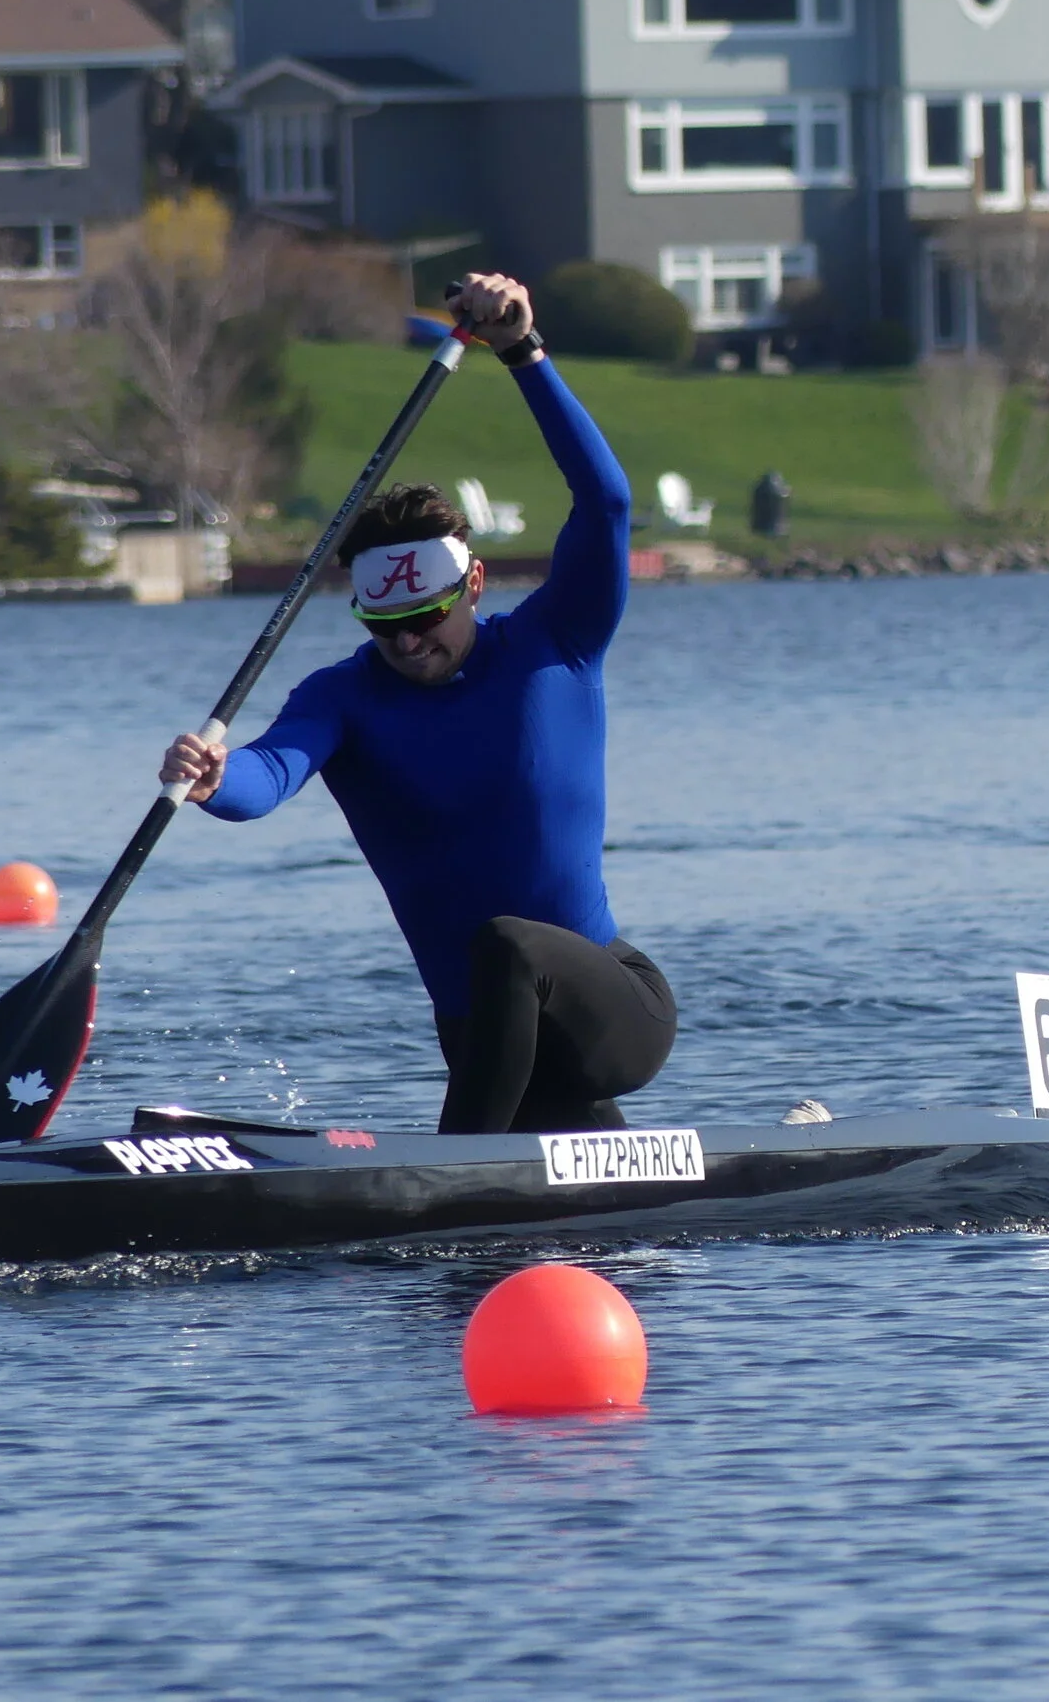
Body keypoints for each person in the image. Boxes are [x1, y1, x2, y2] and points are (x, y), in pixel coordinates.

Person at [160, 273, 674, 1134]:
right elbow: (269, 773)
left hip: (612, 1009)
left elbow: (607, 501)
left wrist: (522, 352)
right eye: (386, 624)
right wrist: (214, 778)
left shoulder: (558, 640)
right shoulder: (343, 698)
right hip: (480, 1035)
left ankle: (456, 1165)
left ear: (473, 584)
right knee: (562, 1246)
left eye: (427, 618)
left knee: (509, 944)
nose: (407, 644)